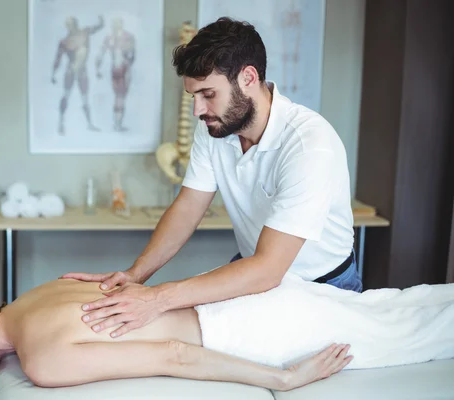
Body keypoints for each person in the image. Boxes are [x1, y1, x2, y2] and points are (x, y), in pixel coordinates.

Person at [62, 17, 360, 338]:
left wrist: (158, 298)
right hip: (253, 271)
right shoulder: (216, 129)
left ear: (248, 77)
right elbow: (188, 207)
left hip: (322, 285)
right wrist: (137, 274)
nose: (197, 110)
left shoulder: (308, 144)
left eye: (208, 94)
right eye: (194, 96)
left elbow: (268, 269)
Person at [0, 276, 454, 390]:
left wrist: (282, 378)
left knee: (428, 332)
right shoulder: (39, 293)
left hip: (261, 330)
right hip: (263, 297)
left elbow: (174, 354)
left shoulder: (42, 359)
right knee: (410, 306)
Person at [51, 16, 103, 134]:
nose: (69, 26)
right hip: (70, 71)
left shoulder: (84, 32)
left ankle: (89, 124)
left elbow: (96, 28)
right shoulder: (64, 42)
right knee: (66, 95)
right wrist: (53, 73)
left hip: (82, 71)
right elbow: (57, 59)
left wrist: (101, 21)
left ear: (75, 24)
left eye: (71, 24)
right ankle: (61, 122)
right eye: (67, 24)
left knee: (85, 98)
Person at [95, 17, 136, 132]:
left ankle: (118, 123)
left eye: (117, 23)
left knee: (120, 97)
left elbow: (132, 55)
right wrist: (97, 68)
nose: (115, 26)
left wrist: (127, 56)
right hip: (117, 70)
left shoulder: (128, 37)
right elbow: (100, 53)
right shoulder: (110, 38)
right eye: (114, 24)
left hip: (123, 69)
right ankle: (117, 124)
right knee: (119, 97)